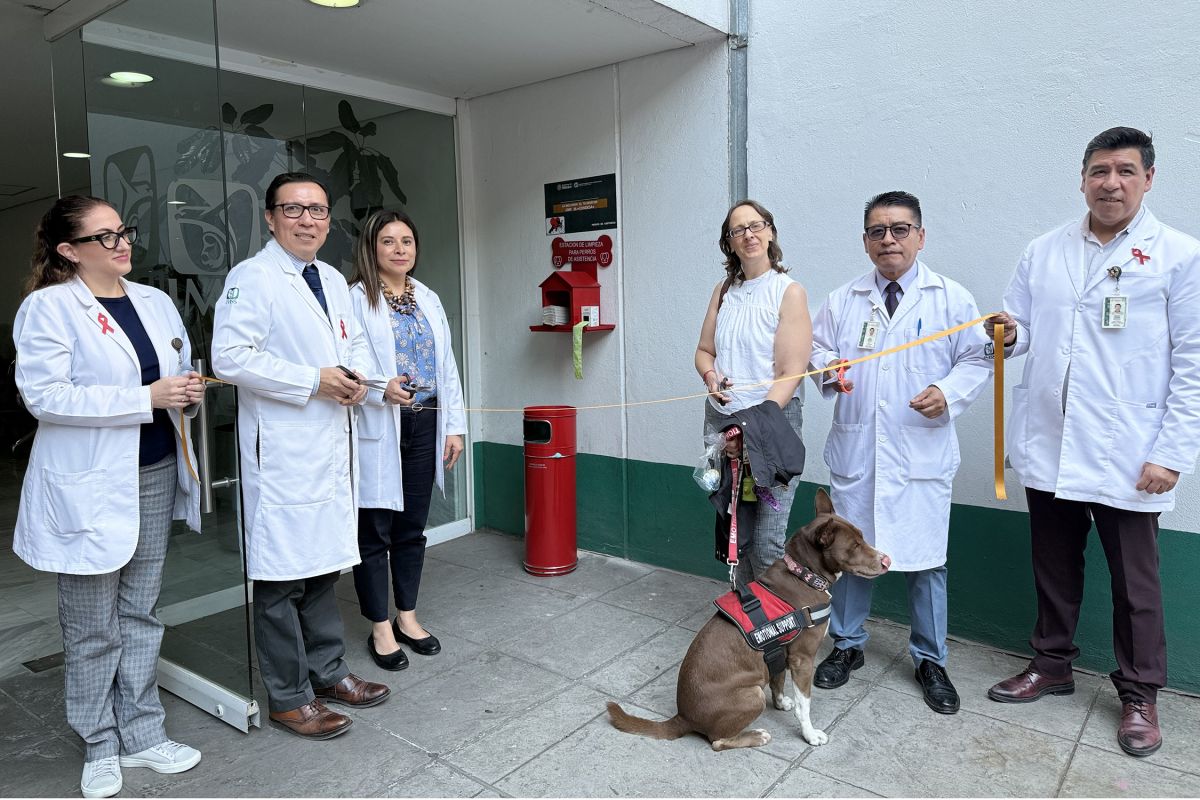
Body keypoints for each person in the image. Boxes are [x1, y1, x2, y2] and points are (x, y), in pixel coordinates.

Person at [986, 127, 1200, 757]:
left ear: (1148, 179)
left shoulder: (1179, 256)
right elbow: (1023, 328)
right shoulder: (1044, 250)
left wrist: (1172, 453)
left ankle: (1139, 693)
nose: (1111, 183)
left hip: (1129, 451)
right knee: (1054, 565)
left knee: (1137, 584)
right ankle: (1051, 664)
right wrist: (1008, 334)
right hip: (1051, 442)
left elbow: (1193, 364)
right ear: (1082, 179)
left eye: (1125, 171)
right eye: (1100, 171)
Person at [13, 196, 205, 798]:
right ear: (69, 251)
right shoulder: (48, 308)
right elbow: (45, 397)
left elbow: (176, 371)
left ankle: (143, 732)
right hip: (89, 483)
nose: (122, 244)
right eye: (105, 236)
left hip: (154, 468)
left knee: (141, 611)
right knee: (92, 623)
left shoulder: (153, 301)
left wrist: (186, 390)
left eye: (124, 231)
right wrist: (146, 397)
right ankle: (98, 740)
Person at [212, 172, 389, 740]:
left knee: (321, 569)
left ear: (329, 221)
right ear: (270, 218)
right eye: (293, 209)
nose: (307, 220)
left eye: (317, 210)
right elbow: (229, 357)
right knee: (281, 579)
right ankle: (289, 697)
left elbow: (351, 346)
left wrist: (360, 381)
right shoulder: (253, 277)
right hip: (284, 451)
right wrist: (313, 380)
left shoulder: (332, 279)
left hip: (329, 444)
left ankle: (329, 673)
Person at [809, 191, 990, 714]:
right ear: (865, 241)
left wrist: (948, 393)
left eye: (900, 229)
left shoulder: (950, 298)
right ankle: (847, 645)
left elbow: (977, 358)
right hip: (859, 452)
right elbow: (815, 350)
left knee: (926, 562)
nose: (888, 239)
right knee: (848, 553)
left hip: (919, 454)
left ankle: (931, 659)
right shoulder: (843, 299)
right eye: (877, 231)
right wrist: (828, 369)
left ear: (920, 236)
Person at [347, 209, 466, 670]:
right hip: (379, 422)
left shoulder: (427, 297)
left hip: (425, 421)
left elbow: (446, 365)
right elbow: (349, 360)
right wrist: (381, 387)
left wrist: (454, 426)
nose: (400, 250)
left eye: (407, 241)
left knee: (412, 527)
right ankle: (380, 627)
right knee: (374, 529)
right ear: (371, 247)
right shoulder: (356, 298)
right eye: (389, 242)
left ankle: (407, 617)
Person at [694, 200, 812, 584]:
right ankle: (746, 614)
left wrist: (749, 430)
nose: (749, 235)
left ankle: (780, 618)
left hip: (770, 426)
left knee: (766, 544)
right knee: (736, 536)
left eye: (756, 225)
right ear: (729, 242)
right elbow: (704, 352)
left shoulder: (788, 292)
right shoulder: (723, 291)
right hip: (724, 422)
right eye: (738, 230)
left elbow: (791, 372)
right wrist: (711, 378)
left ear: (770, 231)